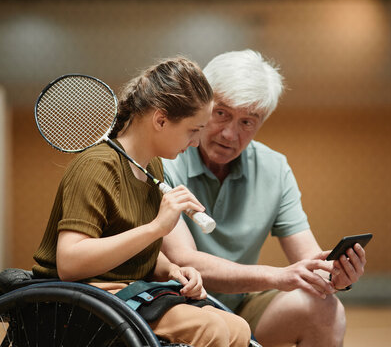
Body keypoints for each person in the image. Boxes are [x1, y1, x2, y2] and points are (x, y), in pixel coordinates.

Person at [32, 56, 251, 347]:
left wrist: (171, 269)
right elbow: (70, 263)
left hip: (125, 294)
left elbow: (131, 250)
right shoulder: (97, 166)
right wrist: (157, 228)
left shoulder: (152, 168)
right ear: (160, 119)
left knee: (237, 329)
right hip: (81, 301)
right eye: (193, 130)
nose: (197, 142)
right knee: (210, 329)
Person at [161, 49, 367, 346]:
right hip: (175, 305)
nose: (230, 134)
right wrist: (277, 276)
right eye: (222, 114)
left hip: (241, 305)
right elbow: (185, 259)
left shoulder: (274, 168)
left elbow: (309, 259)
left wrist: (335, 276)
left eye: (247, 122)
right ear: (202, 106)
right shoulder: (167, 160)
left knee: (326, 310)